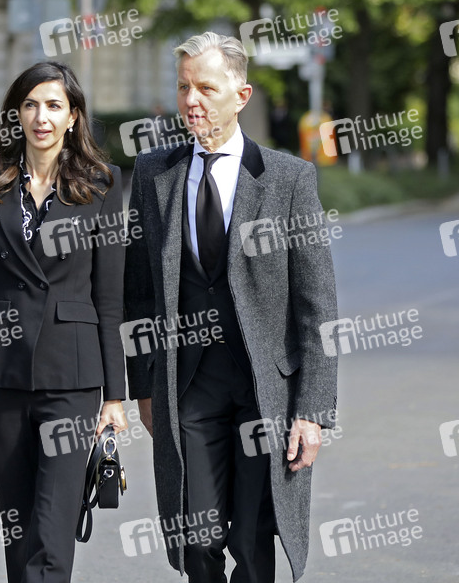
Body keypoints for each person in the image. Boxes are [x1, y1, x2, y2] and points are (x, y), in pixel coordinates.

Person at [124, 32, 338, 582]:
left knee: (252, 538)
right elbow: (139, 290)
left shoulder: (288, 179)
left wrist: (312, 410)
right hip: (188, 385)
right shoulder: (153, 174)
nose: (191, 100)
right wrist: (144, 387)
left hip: (264, 388)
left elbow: (317, 305)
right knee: (197, 538)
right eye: (183, 88)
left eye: (206, 88)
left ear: (241, 96)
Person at [0, 61, 128, 583]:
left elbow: (109, 298)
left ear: (73, 116)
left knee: (53, 533)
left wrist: (115, 396)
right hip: (3, 374)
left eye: (54, 106)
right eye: (31, 105)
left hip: (73, 378)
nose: (42, 117)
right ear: (16, 114)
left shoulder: (101, 184)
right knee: (17, 532)